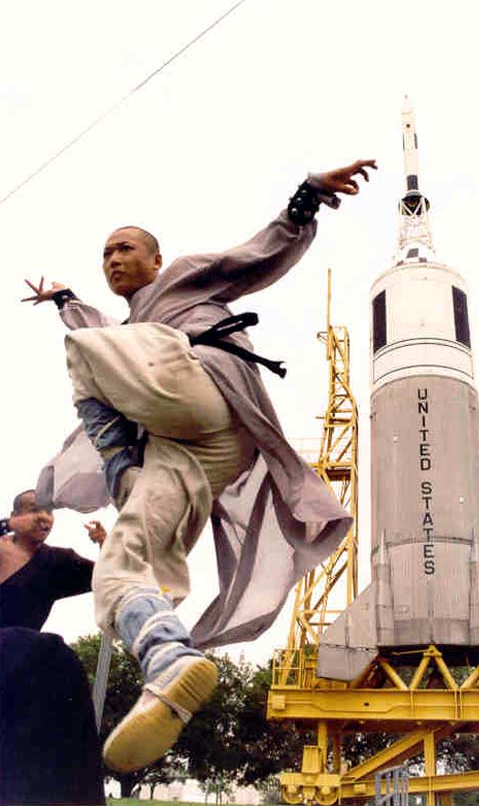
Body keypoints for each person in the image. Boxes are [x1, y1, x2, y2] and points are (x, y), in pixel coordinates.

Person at [24, 159, 377, 773]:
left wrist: (306, 199)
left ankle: (121, 470)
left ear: (155, 261)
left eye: (124, 248)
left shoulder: (183, 279)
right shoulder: (130, 328)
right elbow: (109, 331)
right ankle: (167, 659)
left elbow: (249, 259)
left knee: (86, 349)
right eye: (104, 253)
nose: (112, 259)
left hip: (205, 390)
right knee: (120, 566)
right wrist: (65, 298)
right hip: (193, 452)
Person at [0, 489, 106, 806]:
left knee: (55, 656)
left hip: (15, 667)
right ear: (14, 516)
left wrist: (107, 545)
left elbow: (110, 577)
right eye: (34, 510)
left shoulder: (57, 563)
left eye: (49, 511)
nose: (44, 517)